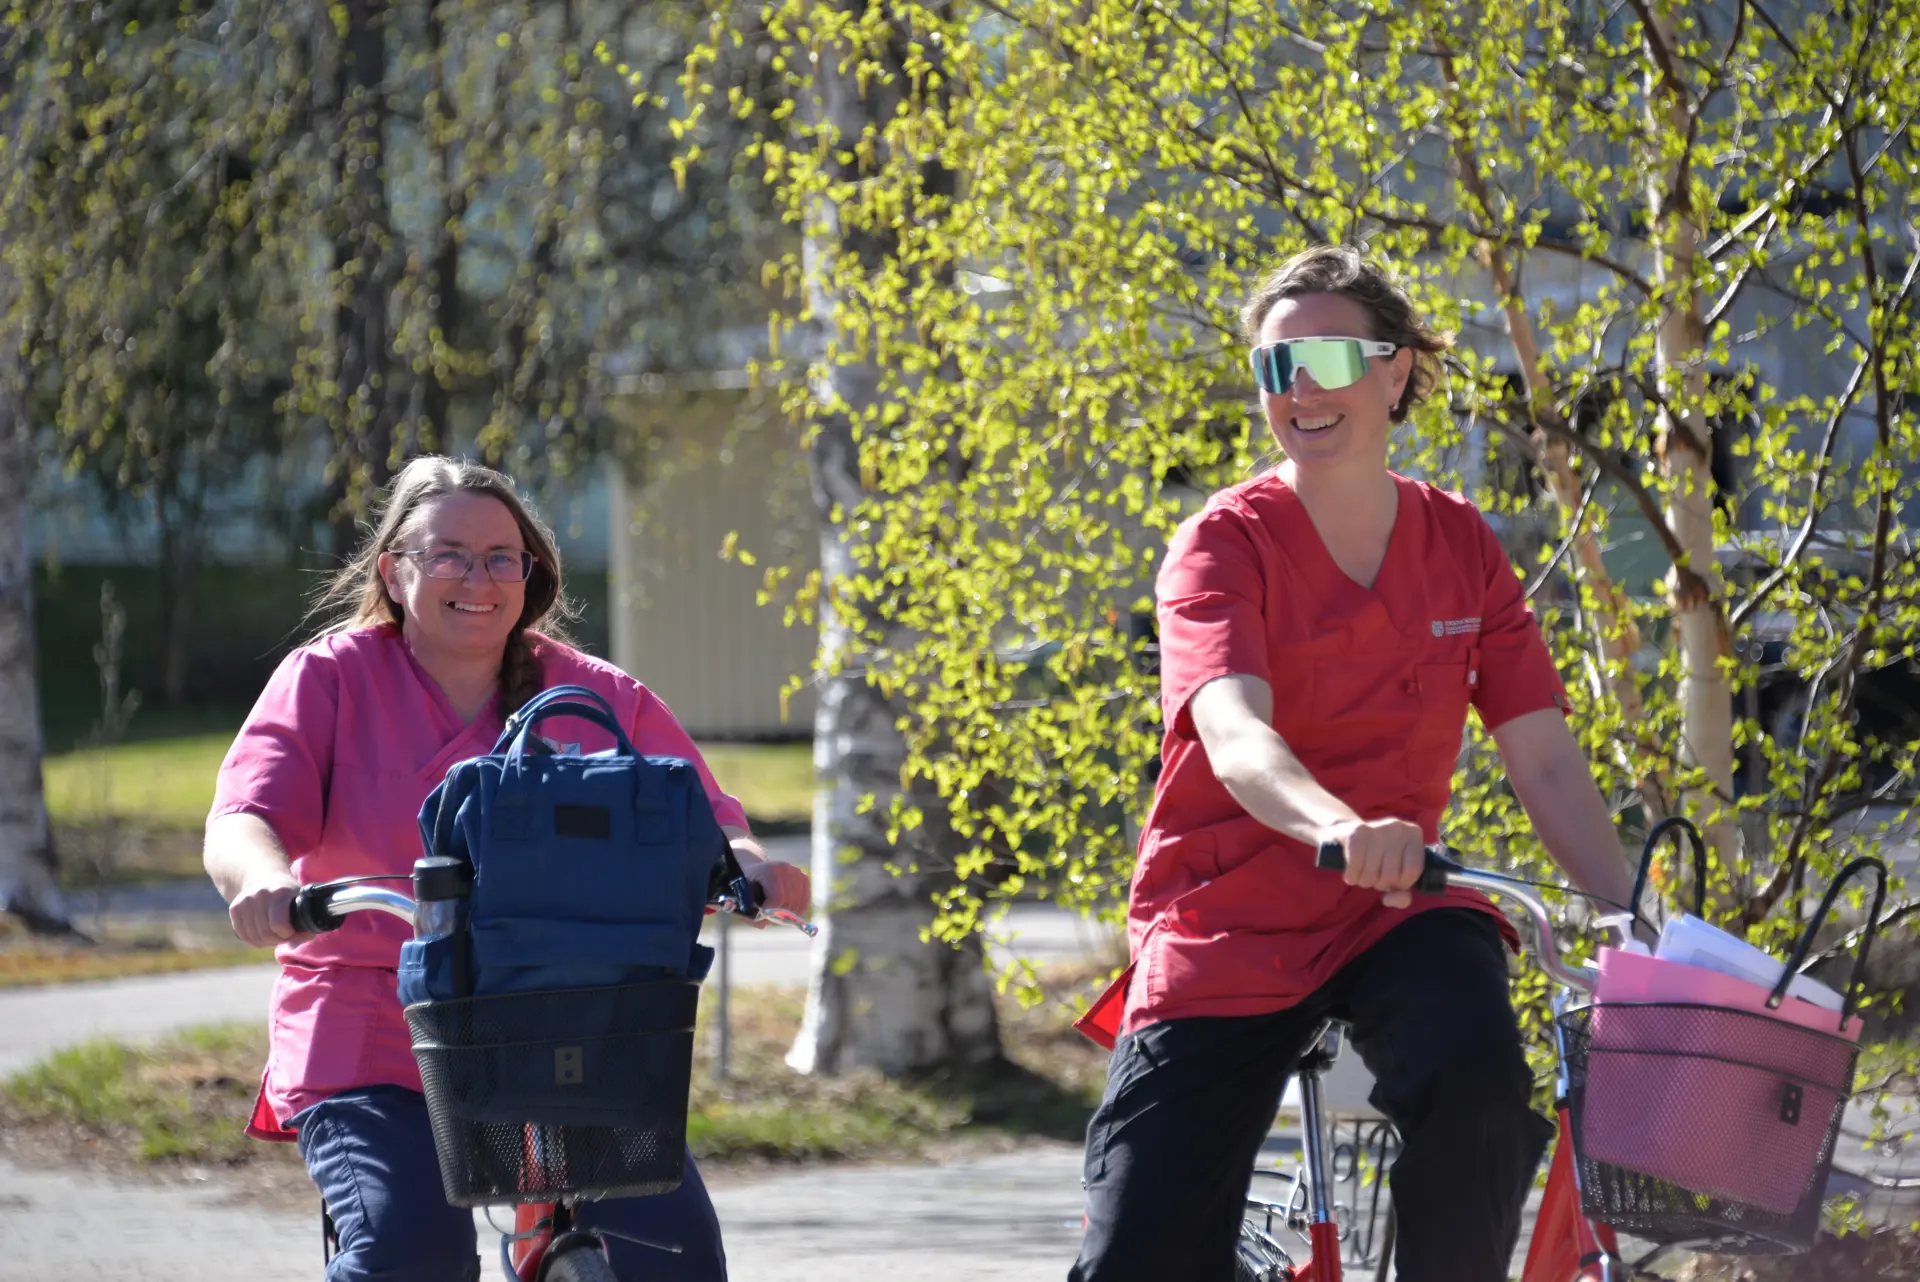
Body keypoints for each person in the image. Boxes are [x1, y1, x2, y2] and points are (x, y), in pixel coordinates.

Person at [1069, 246, 1642, 1282]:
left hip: (1400, 906)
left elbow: (1545, 759)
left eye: (1328, 359)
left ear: (1395, 370)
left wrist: (1629, 921)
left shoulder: (1461, 542)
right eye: (1274, 365)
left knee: (1480, 1088)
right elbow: (1236, 735)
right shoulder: (1219, 545)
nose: (1300, 389)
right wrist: (1337, 826)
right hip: (1228, 919)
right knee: (1136, 1253)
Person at [205, 456, 811, 1282]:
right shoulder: (330, 678)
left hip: (569, 1032)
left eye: (500, 557)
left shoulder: (593, 695)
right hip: (373, 1033)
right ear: (394, 570)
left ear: (530, 574)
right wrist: (262, 882)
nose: (478, 578)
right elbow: (244, 817)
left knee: (671, 1253)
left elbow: (706, 819)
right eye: (448, 555)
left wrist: (751, 869)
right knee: (408, 1254)